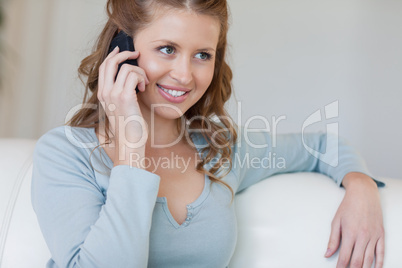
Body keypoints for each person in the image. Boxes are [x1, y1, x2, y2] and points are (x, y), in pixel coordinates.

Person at [31, 0, 385, 267]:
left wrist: (361, 186)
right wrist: (131, 150)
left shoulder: (219, 148)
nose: (185, 76)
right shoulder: (65, 152)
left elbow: (320, 145)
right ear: (122, 52)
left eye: (202, 54)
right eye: (166, 49)